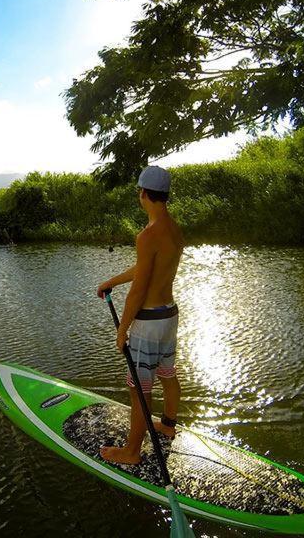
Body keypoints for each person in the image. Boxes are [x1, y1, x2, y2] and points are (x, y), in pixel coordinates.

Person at [96, 165, 184, 465]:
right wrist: (112, 281)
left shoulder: (147, 235)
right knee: (167, 375)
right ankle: (168, 427)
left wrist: (122, 331)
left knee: (139, 389)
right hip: (169, 316)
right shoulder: (173, 228)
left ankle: (132, 452)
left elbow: (140, 288)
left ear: (143, 193)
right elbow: (147, 269)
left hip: (147, 324)